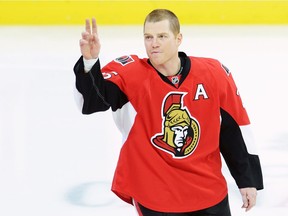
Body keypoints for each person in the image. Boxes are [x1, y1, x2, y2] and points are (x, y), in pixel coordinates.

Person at [73, 9, 263, 216]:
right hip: (155, 196)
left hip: (208, 194)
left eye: (162, 37)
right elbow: (91, 103)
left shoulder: (213, 74)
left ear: (178, 38)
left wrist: (247, 180)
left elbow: (233, 129)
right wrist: (90, 63)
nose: (154, 44)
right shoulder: (129, 75)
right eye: (148, 37)